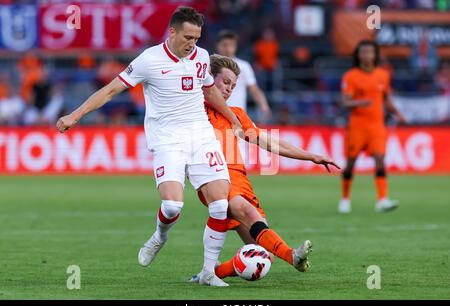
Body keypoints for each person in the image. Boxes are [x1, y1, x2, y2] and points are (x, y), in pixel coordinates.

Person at [56, 7, 244, 287]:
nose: (192, 43)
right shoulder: (149, 60)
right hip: (167, 139)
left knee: (219, 205)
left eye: (197, 37)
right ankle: (159, 236)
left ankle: (208, 272)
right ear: (172, 32)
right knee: (171, 206)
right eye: (188, 36)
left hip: (201, 136)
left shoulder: (202, 57)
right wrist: (75, 115)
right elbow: (109, 91)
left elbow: (209, 90)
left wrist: (232, 118)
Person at [190, 54, 340, 282]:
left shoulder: (236, 115)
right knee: (248, 211)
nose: (229, 89)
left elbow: (268, 142)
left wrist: (310, 156)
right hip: (215, 177)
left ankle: (210, 273)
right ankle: (293, 256)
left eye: (233, 85)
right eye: (225, 82)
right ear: (210, 79)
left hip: (240, 178)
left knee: (263, 255)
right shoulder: (192, 110)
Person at [339, 40, 407, 214]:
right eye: (363, 52)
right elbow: (344, 102)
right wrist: (359, 102)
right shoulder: (351, 76)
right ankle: (345, 199)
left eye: (370, 52)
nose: (367, 55)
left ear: (375, 55)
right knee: (350, 163)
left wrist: (398, 114)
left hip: (377, 125)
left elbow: (386, 99)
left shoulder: (383, 75)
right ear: (358, 55)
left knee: (380, 159)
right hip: (357, 126)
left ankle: (382, 200)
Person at [216, 29, 272, 118]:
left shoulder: (244, 66)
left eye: (231, 45)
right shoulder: (209, 66)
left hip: (238, 117)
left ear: (235, 47)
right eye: (225, 45)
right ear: (218, 45)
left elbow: (254, 89)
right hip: (216, 117)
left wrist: (264, 105)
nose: (228, 49)